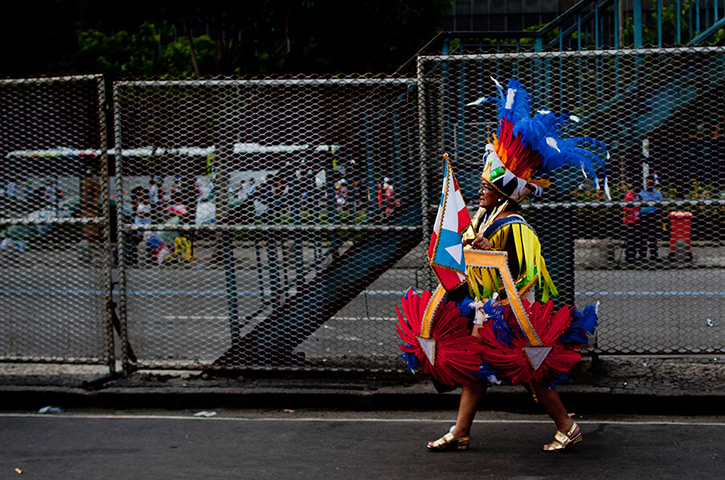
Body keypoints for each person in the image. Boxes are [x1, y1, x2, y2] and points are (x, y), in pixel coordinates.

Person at [397, 79, 604, 453]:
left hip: (511, 312)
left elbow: (530, 272)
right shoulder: (483, 217)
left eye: (486, 187)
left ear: (504, 191)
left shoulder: (516, 226)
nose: (480, 190)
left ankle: (567, 426)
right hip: (483, 307)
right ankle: (461, 431)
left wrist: (495, 271)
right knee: (473, 367)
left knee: (532, 370)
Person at [638, 175, 663, 260]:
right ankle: (642, 255)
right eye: (648, 182)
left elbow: (660, 206)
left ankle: (654, 255)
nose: (650, 184)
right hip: (643, 215)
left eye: (651, 182)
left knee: (653, 236)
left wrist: (659, 218)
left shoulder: (657, 193)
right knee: (643, 236)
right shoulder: (641, 192)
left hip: (653, 215)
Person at [622, 185, 642, 264]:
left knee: (634, 240)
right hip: (630, 221)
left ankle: (632, 256)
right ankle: (629, 258)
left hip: (635, 220)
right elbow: (626, 210)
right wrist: (626, 222)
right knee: (630, 240)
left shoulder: (635, 196)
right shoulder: (629, 196)